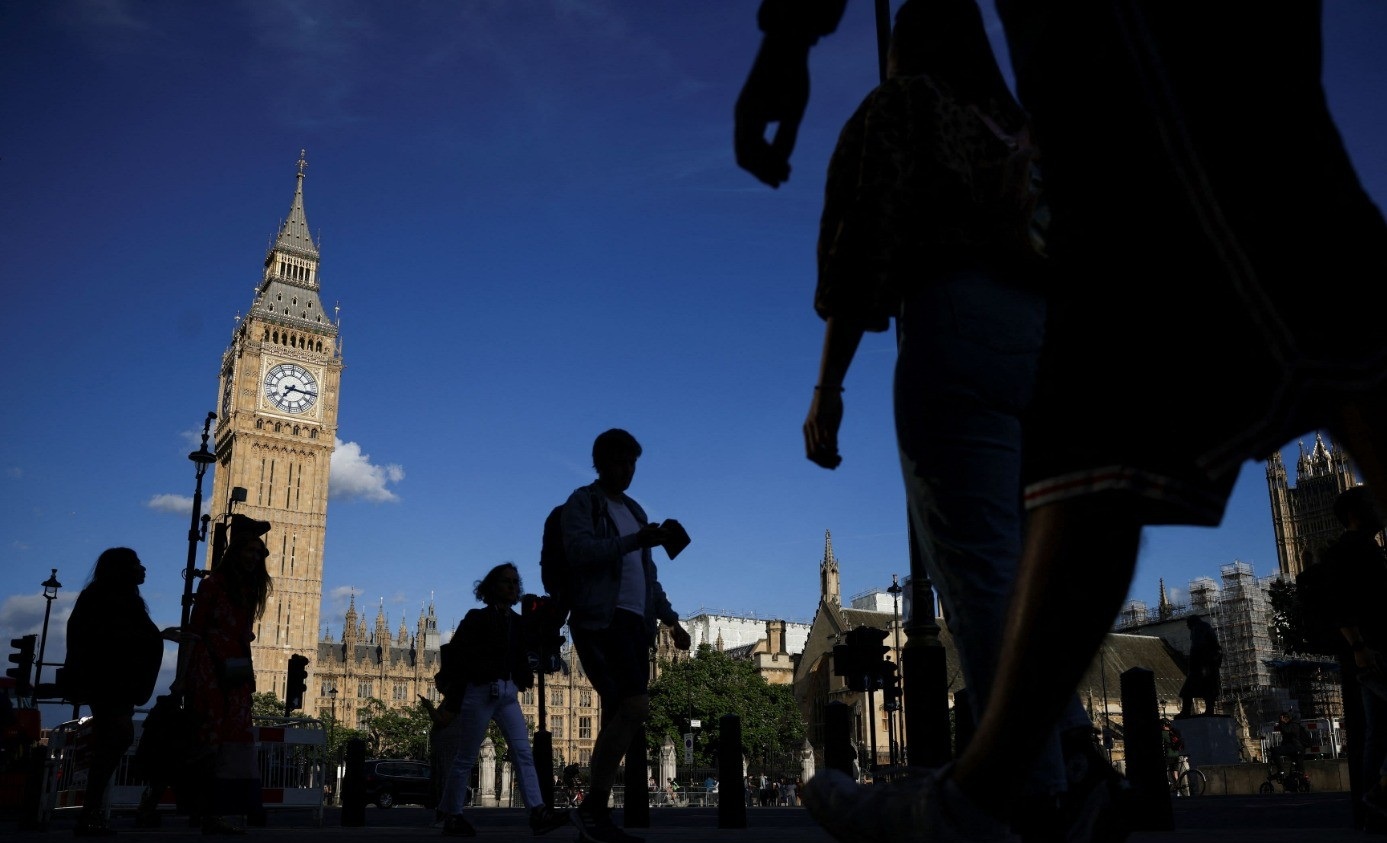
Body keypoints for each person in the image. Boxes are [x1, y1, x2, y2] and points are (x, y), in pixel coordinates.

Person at [799, 2, 1116, 838]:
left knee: (978, 565)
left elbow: (860, 248)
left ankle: (1031, 790)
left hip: (957, 321)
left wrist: (828, 386)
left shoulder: (905, 106)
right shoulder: (1025, 132)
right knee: (1033, 563)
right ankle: (1074, 752)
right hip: (1052, 349)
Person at [562, 428, 691, 843]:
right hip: (601, 619)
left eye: (633, 463)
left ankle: (593, 816)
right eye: (620, 461)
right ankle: (594, 808)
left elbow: (648, 576)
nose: (628, 470)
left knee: (624, 711)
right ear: (601, 462)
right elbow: (579, 553)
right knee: (634, 706)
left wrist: (670, 620)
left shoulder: (634, 510)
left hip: (638, 624)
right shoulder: (584, 502)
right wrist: (635, 539)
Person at [434, 563, 569, 837]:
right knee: (465, 757)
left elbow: (544, 632)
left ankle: (538, 811)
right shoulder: (475, 619)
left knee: (523, 753)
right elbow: (457, 657)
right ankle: (451, 815)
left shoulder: (518, 623)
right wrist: (455, 696)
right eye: (505, 581)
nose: (511, 586)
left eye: (514, 582)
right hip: (481, 691)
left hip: (508, 693)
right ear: (491, 587)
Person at [64, 548, 179, 836]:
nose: (143, 569)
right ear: (122, 570)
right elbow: (115, 641)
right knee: (111, 744)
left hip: (114, 687)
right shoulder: (107, 599)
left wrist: (159, 635)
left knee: (112, 745)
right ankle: (90, 814)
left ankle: (91, 813)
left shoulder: (115, 599)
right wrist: (155, 637)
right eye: (137, 564)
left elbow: (130, 636)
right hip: (110, 686)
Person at [1299, 486, 1387, 818]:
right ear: (1355, 515)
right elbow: (1339, 606)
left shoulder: (1366, 548)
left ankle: (1371, 809)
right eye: (1373, 506)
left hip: (1372, 652)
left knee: (1376, 734)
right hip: (1371, 653)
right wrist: (1360, 648)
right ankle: (1377, 797)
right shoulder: (1349, 551)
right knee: (1375, 734)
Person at [186, 516, 273, 835]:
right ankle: (202, 809)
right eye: (248, 550)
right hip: (210, 667)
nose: (253, 557)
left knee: (234, 741)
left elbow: (242, 635)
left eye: (258, 552)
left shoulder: (249, 590)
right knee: (209, 739)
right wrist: (185, 677)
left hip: (236, 670)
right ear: (235, 552)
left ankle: (223, 809)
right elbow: (196, 630)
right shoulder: (212, 585)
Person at [1178, 615, 1223, 717]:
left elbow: (1197, 646)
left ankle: (1186, 711)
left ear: (1191, 623)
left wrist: (1193, 663)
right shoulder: (1205, 627)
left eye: (1188, 625)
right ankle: (1209, 710)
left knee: (1187, 691)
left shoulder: (1198, 628)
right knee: (1208, 690)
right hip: (1209, 665)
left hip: (1202, 665)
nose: (1187, 627)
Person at [1270, 712, 1312, 776]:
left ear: (1287, 718)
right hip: (1300, 749)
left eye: (1284, 718)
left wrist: (1281, 722)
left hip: (1294, 747)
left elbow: (1286, 731)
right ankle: (1302, 781)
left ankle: (1281, 771)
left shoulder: (1293, 725)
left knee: (1274, 750)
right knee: (1299, 768)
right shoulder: (1296, 724)